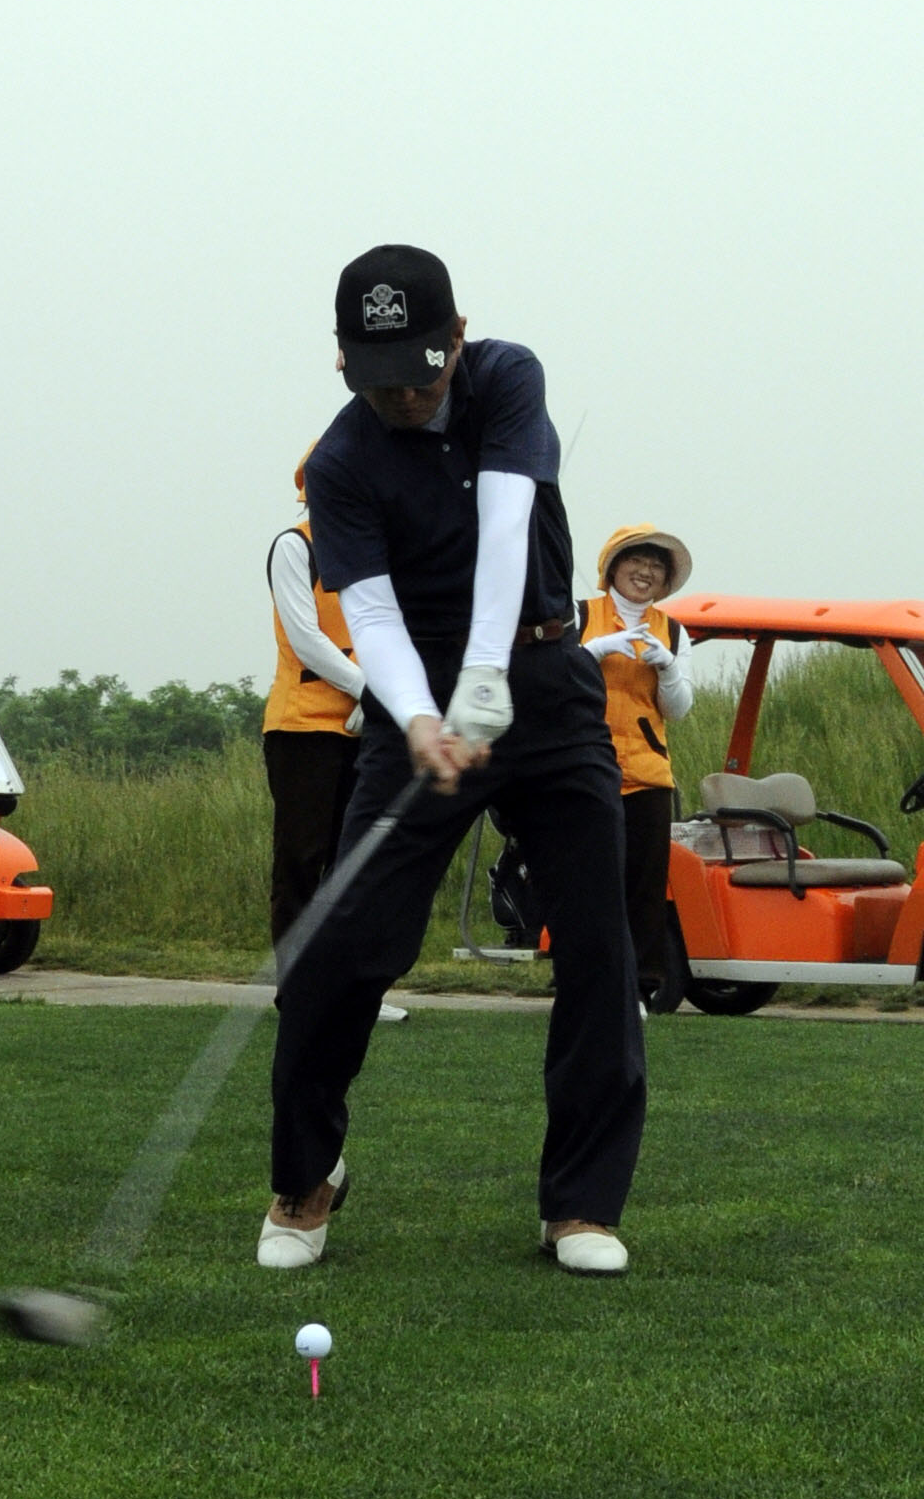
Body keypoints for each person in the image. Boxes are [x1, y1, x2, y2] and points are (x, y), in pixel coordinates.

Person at [260, 244, 646, 1277]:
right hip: (420, 696)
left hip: (547, 681)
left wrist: (487, 676)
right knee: (341, 946)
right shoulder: (341, 462)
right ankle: (306, 1177)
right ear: (343, 361)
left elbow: (506, 525)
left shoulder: (508, 376)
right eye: (381, 379)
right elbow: (371, 615)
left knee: (599, 945)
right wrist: (423, 715)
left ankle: (580, 1206)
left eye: (422, 373)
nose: (405, 396)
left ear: (458, 338)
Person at [579, 526, 695, 1012]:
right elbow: (553, 679)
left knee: (645, 887)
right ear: (613, 567)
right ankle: (584, 982)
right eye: (636, 561)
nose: (645, 572)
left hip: (648, 774)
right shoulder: (580, 616)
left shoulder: (673, 631)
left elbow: (678, 709)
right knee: (588, 881)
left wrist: (668, 667)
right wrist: (593, 652)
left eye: (656, 566)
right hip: (586, 765)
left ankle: (640, 988)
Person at [261, 452, 364, 944]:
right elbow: (306, 639)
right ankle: (295, 976)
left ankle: (345, 976)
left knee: (353, 858)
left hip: (364, 727)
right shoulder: (294, 546)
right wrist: (369, 689)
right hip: (303, 727)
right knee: (303, 857)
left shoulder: (371, 552)